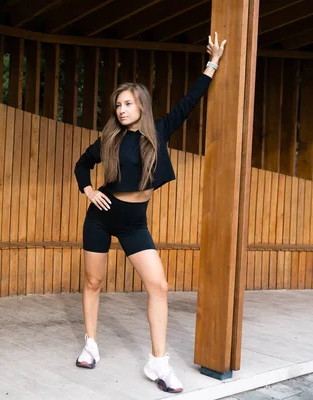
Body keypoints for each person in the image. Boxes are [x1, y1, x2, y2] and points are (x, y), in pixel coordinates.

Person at [73, 33, 227, 393]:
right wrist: (90, 191)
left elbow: (190, 100)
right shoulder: (109, 139)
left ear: (140, 104)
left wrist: (213, 62)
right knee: (93, 282)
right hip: (102, 216)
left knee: (159, 285)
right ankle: (91, 344)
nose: (121, 110)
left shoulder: (159, 131)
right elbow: (82, 164)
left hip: (133, 222)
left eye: (127, 103)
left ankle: (158, 363)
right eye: (118, 106)